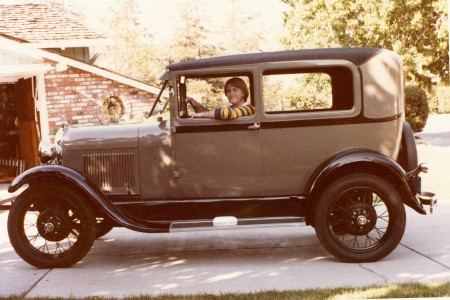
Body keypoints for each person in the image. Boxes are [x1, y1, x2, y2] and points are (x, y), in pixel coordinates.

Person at [185, 77, 255, 120]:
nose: (231, 94)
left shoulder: (249, 108)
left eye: (235, 90)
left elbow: (227, 113)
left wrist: (201, 114)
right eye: (228, 91)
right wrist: (196, 104)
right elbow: (211, 115)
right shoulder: (232, 108)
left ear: (243, 93)